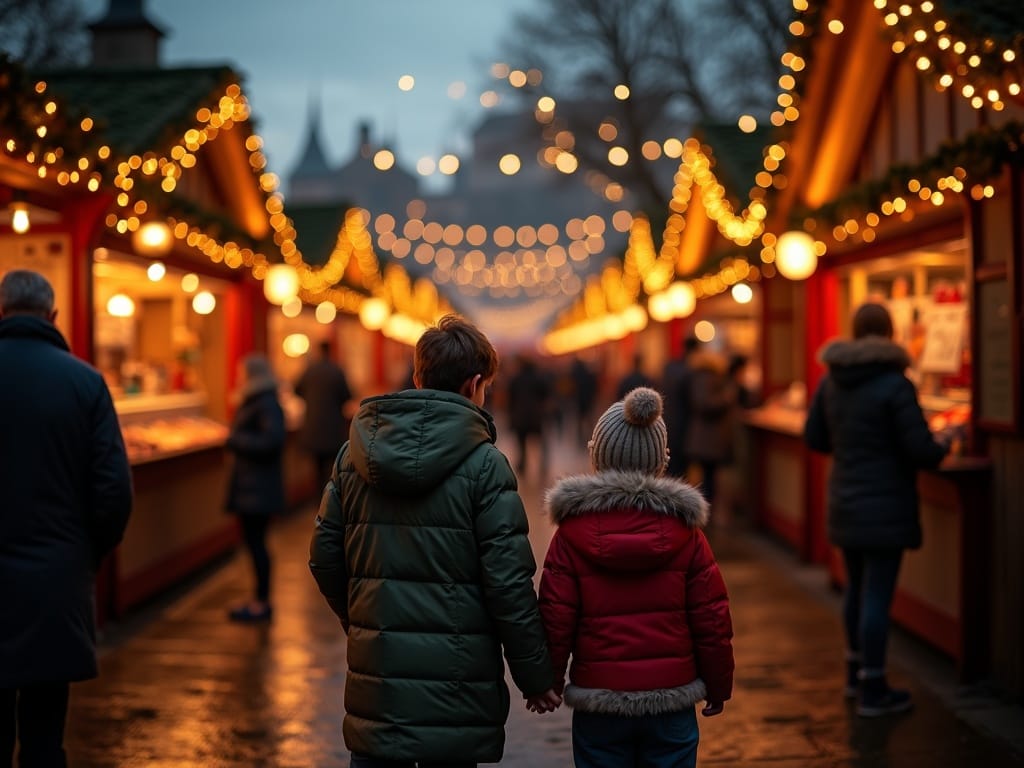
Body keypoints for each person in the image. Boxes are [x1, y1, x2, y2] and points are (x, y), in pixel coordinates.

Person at [309, 314, 560, 767]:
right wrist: (536, 677)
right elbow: (508, 584)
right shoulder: (486, 465)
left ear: (418, 376)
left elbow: (324, 556)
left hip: (379, 682)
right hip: (457, 689)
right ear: (475, 385)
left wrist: (365, 620)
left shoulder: (353, 455)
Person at [539, 387, 734, 768]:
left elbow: (555, 617)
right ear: (662, 460)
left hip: (599, 701)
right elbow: (711, 618)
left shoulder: (571, 534)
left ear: (597, 456)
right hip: (671, 701)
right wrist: (718, 683)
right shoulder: (687, 534)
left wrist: (548, 682)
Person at [0, 270, 133, 767]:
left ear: (2, 311)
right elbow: (113, 491)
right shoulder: (85, 383)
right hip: (55, 579)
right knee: (44, 734)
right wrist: (85, 554)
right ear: (52, 315)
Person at [804, 302, 950, 717]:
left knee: (856, 589)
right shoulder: (895, 384)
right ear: (889, 332)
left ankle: (855, 676)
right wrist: (946, 443)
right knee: (877, 596)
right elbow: (921, 450)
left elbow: (815, 438)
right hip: (885, 503)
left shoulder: (831, 380)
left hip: (845, 500)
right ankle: (874, 689)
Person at [225, 354, 286, 623]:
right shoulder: (260, 400)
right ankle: (258, 598)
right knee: (254, 543)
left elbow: (272, 440)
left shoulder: (264, 402)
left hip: (257, 487)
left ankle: (261, 601)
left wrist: (235, 439)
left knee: (256, 543)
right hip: (254, 485)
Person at [295, 340, 353, 495]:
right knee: (333, 468)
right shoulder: (337, 371)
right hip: (333, 427)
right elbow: (347, 396)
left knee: (317, 468)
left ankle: (319, 500)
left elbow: (296, 390)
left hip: (313, 426)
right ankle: (332, 499)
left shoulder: (310, 371)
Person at [685, 344, 737, 511]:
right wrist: (726, 398)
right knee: (708, 477)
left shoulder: (699, 377)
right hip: (708, 438)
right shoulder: (705, 378)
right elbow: (704, 404)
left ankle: (705, 509)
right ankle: (705, 510)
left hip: (705, 437)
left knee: (707, 476)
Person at [505, 353, 552, 476]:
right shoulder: (539, 377)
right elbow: (546, 396)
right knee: (541, 442)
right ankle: (543, 465)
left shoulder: (516, 379)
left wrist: (510, 415)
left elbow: (510, 399)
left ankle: (522, 466)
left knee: (521, 443)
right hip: (536, 416)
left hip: (520, 415)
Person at [662, 336, 700, 478]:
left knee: (670, 465)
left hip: (668, 420)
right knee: (681, 469)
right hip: (685, 424)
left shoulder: (670, 367)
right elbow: (694, 400)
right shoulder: (690, 371)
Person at [569, 355, 598, 446]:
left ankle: (580, 438)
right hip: (588, 399)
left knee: (580, 419)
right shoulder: (588, 373)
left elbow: (572, 388)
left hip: (579, 400)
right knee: (589, 419)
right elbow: (593, 385)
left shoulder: (575, 374)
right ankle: (592, 436)